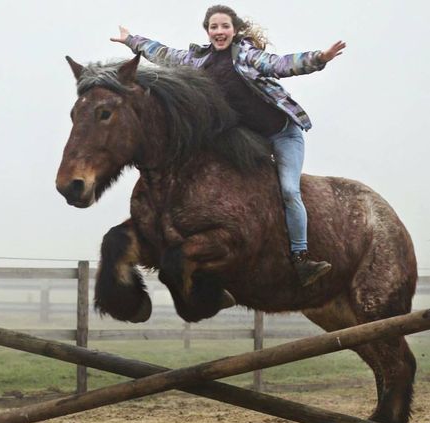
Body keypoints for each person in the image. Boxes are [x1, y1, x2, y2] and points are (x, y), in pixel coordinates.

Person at [110, 4, 346, 287]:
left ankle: (301, 258)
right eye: (214, 27)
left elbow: (281, 64)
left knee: (288, 190)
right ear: (207, 31)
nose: (219, 32)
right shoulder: (197, 61)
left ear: (234, 30)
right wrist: (131, 40)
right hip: (247, 140)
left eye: (224, 27)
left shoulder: (247, 56)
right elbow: (164, 55)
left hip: (282, 135)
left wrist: (319, 58)